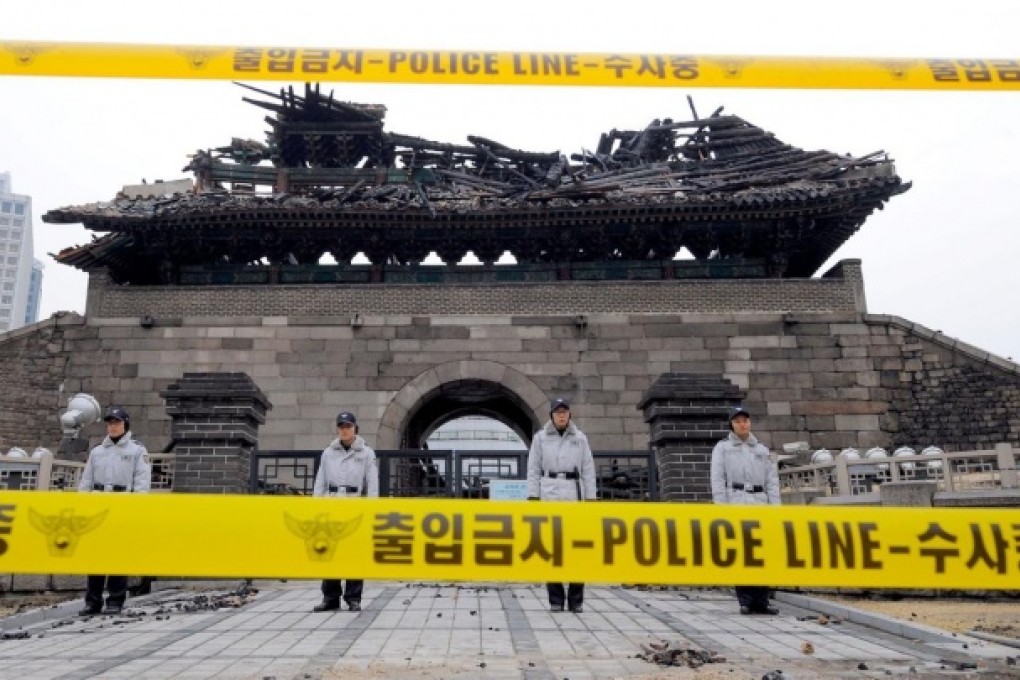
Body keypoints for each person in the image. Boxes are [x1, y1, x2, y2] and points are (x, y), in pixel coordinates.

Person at [77, 406, 151, 616]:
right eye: (110, 423)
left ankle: (115, 600)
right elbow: (86, 482)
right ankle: (93, 601)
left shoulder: (137, 450)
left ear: (125, 424)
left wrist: (134, 508)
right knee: (96, 557)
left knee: (118, 556)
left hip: (122, 505)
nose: (113, 427)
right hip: (98, 507)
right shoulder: (97, 452)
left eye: (117, 423)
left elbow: (142, 483)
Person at [526, 398, 597, 613]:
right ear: (551, 415)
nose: (561, 415)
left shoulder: (580, 438)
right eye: (557, 412)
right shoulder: (540, 439)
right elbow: (533, 470)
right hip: (549, 491)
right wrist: (533, 496)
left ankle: (576, 599)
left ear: (569, 415)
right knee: (552, 548)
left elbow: (588, 470)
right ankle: (555, 599)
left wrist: (591, 499)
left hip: (574, 492)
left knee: (577, 548)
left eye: (565, 412)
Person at [710, 406, 781, 615]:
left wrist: (776, 509)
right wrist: (722, 508)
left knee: (762, 552)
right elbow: (718, 480)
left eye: (746, 420)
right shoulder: (722, 448)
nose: (743, 424)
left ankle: (762, 599)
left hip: (760, 501)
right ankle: (746, 599)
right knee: (742, 551)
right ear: (731, 424)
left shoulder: (761, 449)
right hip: (736, 500)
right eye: (738, 421)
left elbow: (772, 481)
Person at [311, 411, 379, 613]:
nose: (345, 430)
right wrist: (317, 507)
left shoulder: (366, 453)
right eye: (341, 427)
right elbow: (320, 482)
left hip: (355, 503)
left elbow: (372, 484)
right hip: (331, 504)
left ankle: (353, 597)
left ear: (355, 428)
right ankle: (330, 597)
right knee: (330, 553)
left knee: (354, 553)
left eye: (348, 427)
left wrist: (371, 509)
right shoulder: (328, 452)